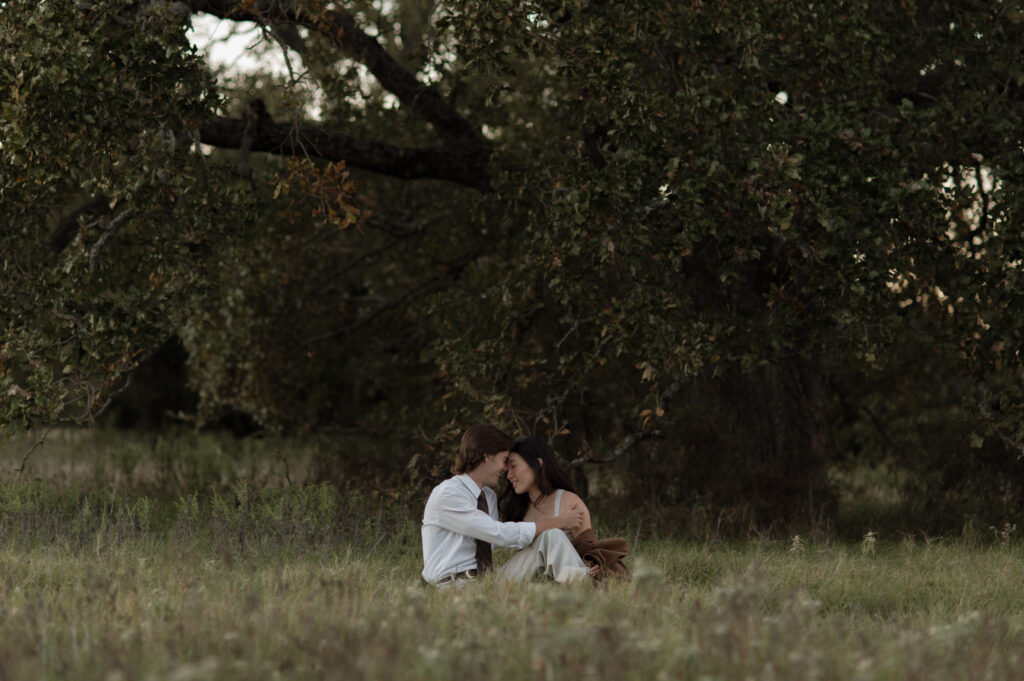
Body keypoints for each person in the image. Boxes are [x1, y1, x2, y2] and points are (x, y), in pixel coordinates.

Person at [421, 424, 586, 585]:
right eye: (504, 460)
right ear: (486, 456)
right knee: (541, 588)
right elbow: (498, 533)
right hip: (454, 585)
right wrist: (559, 521)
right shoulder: (448, 494)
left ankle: (583, 581)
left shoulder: (488, 497)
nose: (505, 469)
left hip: (488, 581)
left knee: (552, 536)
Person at [500, 436, 630, 582]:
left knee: (553, 535)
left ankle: (579, 580)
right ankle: (578, 579)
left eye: (513, 466)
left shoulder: (567, 501)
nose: (509, 475)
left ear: (537, 464)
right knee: (549, 537)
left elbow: (588, 548)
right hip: (521, 579)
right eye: (507, 469)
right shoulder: (518, 509)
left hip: (556, 583)